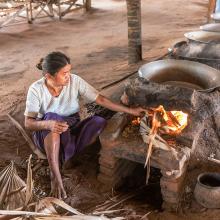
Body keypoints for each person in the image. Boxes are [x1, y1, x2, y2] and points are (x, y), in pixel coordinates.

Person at [24, 51, 145, 199]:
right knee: (52, 117)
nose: (69, 76)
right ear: (48, 76)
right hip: (46, 132)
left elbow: (100, 99)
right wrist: (48, 123)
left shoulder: (75, 81)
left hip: (71, 125)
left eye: (69, 71)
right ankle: (54, 173)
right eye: (64, 73)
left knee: (98, 122)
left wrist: (131, 110)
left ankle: (67, 156)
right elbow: (28, 123)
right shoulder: (36, 89)